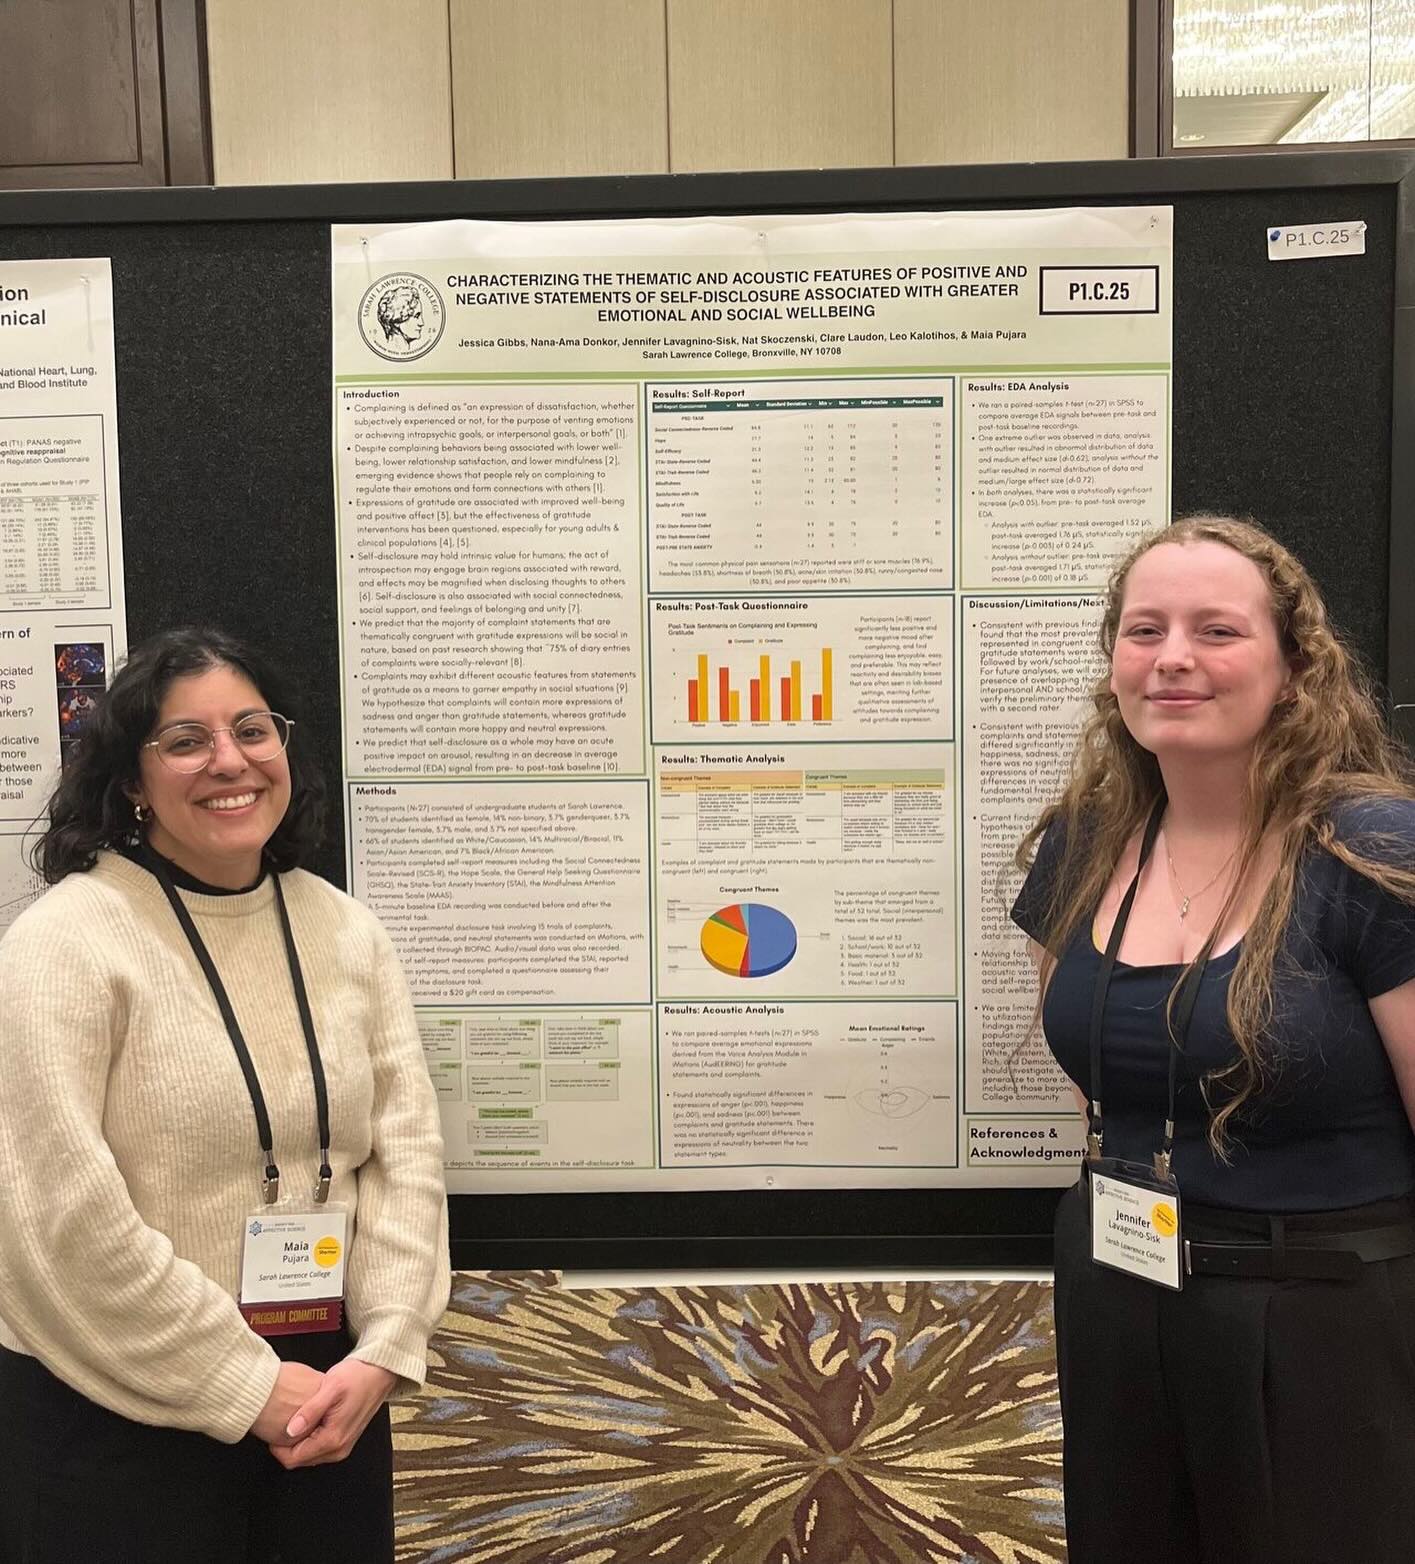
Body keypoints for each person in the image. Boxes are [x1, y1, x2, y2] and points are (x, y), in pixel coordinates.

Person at [1011, 516, 1415, 1563]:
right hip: (1118, 1292)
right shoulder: (1084, 844)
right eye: (1143, 630)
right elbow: (1101, 1084)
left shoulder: (1369, 852)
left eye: (1215, 630)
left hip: (1321, 1319)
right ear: (1113, 668)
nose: (1173, 657)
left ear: (1291, 670)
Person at [0, 627, 450, 1564]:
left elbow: (407, 1162)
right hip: (119, 1403)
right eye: (186, 740)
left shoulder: (346, 933)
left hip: (328, 1398)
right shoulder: (64, 945)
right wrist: (245, 1386)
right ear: (132, 778)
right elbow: (61, 1215)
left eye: (252, 729)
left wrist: (384, 1349)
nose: (229, 761)